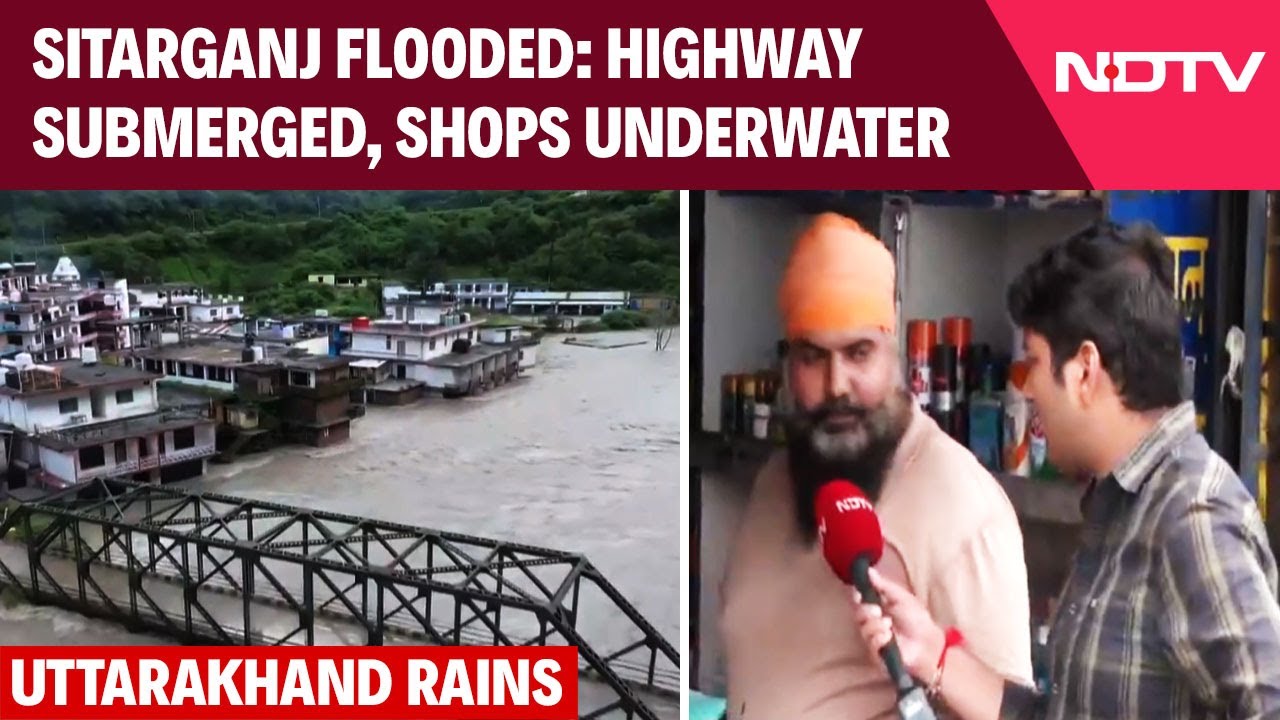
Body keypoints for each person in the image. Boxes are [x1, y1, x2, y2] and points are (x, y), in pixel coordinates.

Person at [851, 220, 1280, 719]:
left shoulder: (1191, 515)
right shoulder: (1120, 508)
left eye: (1033, 362)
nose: (1026, 387)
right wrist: (933, 655)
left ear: (1084, 371)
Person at [718, 212, 1033, 720]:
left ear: (894, 353)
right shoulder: (776, 479)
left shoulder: (962, 502)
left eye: (858, 353)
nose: (836, 385)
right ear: (788, 366)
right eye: (813, 357)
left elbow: (1005, 708)